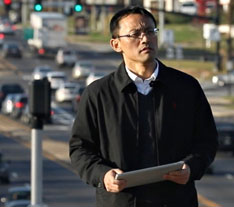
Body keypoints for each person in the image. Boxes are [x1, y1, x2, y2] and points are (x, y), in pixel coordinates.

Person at [69, 6, 218, 207]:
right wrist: (103, 175)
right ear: (116, 44)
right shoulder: (98, 94)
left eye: (150, 31)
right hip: (121, 202)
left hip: (176, 200)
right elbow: (80, 149)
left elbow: (207, 140)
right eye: (135, 34)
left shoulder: (186, 87)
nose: (145, 39)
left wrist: (191, 167)